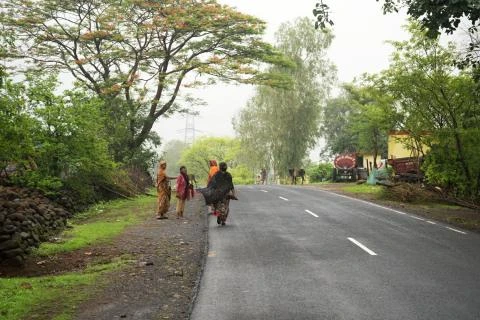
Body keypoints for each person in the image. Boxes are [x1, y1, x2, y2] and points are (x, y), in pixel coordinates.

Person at [209, 162, 236, 226]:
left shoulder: (216, 175)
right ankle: (223, 220)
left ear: (219, 167)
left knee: (219, 206)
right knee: (226, 206)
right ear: (225, 168)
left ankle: (219, 216)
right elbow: (231, 184)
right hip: (226, 193)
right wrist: (233, 192)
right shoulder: (228, 175)